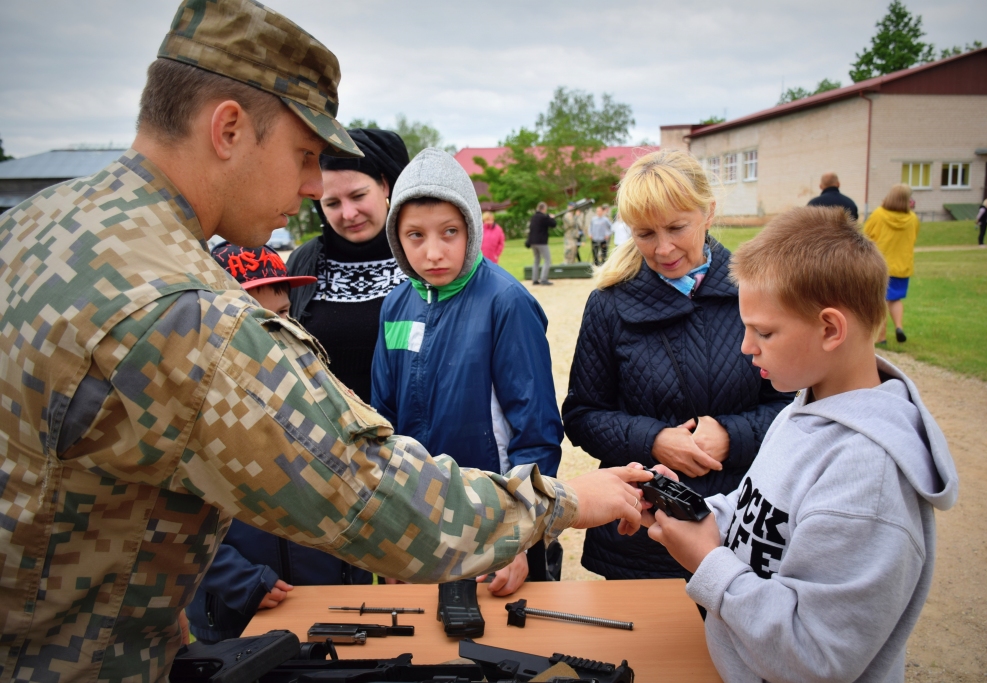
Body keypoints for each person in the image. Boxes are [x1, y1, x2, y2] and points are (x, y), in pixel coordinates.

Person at [0, 2, 653, 679]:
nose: (316, 187)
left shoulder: (37, 227)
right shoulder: (186, 312)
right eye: (305, 156)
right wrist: (563, 501)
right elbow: (364, 490)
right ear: (228, 129)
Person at [645, 206, 958, 683]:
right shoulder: (804, 406)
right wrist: (694, 511)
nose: (746, 346)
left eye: (764, 332)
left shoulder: (868, 480)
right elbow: (758, 513)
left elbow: (815, 658)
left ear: (830, 329)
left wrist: (708, 563)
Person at [562, 150, 794, 583]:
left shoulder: (758, 292)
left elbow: (792, 406)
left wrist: (732, 436)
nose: (663, 248)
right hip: (640, 534)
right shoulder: (608, 304)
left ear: (708, 213)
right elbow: (582, 415)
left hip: (739, 526)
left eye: (676, 228)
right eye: (645, 233)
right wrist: (654, 440)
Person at [371, 149, 565, 596]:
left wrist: (518, 538)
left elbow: (536, 433)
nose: (433, 252)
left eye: (450, 232)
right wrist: (387, 530)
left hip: (492, 524)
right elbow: (382, 425)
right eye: (415, 235)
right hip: (415, 520)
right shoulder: (395, 305)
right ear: (396, 238)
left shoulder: (507, 302)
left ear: (472, 228)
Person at [187, 242, 373, 643]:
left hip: (329, 603)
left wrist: (359, 569)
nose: (274, 330)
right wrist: (239, 580)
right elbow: (169, 518)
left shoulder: (324, 390)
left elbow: (360, 483)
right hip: (238, 615)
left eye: (283, 313)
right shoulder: (190, 405)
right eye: (254, 317)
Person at [286, 128, 410, 403]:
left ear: (384, 185)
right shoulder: (304, 263)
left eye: (358, 196)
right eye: (332, 203)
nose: (349, 214)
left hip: (414, 427)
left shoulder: (421, 255)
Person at [864, 184, 921, 345]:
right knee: (895, 299)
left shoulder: (878, 215)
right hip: (902, 266)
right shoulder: (912, 219)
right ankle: (899, 327)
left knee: (880, 300)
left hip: (880, 265)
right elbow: (913, 238)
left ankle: (881, 337)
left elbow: (866, 236)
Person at [527, 201, 556, 285]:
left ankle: (535, 279)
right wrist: (551, 218)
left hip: (533, 242)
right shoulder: (544, 217)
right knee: (547, 260)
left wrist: (548, 217)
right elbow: (553, 224)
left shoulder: (533, 217)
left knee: (536, 260)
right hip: (541, 242)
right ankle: (543, 279)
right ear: (544, 209)